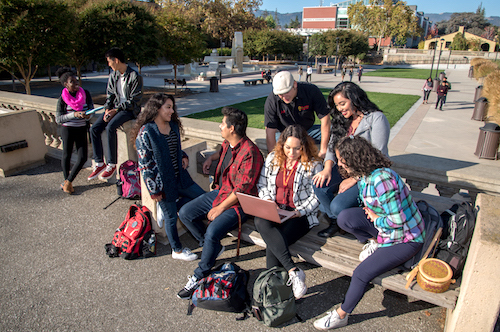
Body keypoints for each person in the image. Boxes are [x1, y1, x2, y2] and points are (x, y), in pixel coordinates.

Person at [313, 136, 424, 330]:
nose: (339, 163)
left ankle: (342, 315)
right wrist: (373, 215)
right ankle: (375, 241)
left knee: (361, 273)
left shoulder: (383, 180)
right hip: (386, 229)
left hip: (406, 238)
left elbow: (398, 222)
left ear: (355, 159)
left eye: (342, 160)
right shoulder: (365, 175)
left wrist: (376, 219)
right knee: (344, 218)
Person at [176, 107, 264, 299]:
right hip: (221, 193)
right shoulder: (229, 142)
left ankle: (200, 274)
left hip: (240, 203)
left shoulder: (251, 153)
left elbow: (242, 190)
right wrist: (211, 157)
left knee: (213, 231)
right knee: (185, 213)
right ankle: (211, 247)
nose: (220, 126)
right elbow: (223, 149)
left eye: (223, 123)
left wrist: (220, 208)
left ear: (232, 128)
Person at [133, 93, 205, 261]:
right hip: (163, 184)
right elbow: (145, 164)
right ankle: (177, 250)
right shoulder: (146, 132)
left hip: (181, 177)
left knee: (202, 199)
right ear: (157, 109)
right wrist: (154, 191)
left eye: (172, 107)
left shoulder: (172, 126)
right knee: (171, 217)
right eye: (168, 107)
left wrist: (183, 155)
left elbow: (174, 149)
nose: (172, 111)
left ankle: (171, 207)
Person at [313, 82, 390, 238]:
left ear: (354, 99)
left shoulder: (376, 118)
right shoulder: (342, 120)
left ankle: (355, 220)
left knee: (337, 206)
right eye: (337, 105)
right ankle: (336, 222)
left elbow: (378, 156)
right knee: (319, 185)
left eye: (343, 103)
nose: (340, 109)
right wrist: (327, 168)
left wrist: (354, 179)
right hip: (344, 169)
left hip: (368, 174)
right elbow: (331, 148)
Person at [255, 124, 323, 300]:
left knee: (274, 243)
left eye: (297, 149)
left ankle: (272, 291)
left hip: (300, 215)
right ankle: (293, 271)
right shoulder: (272, 158)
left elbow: (317, 198)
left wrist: (299, 212)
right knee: (260, 221)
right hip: (276, 209)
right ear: (281, 145)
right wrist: (268, 200)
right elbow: (262, 185)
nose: (291, 153)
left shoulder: (314, 165)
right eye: (287, 148)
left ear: (304, 146)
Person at [88, 47, 143, 181]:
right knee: (94, 129)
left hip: (129, 110)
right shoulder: (113, 76)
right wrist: (107, 109)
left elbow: (134, 101)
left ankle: (112, 164)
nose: (109, 64)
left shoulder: (135, 76)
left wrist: (116, 110)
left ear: (116, 60)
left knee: (110, 127)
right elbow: (110, 96)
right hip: (115, 109)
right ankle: (99, 163)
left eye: (109, 61)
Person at [264, 71, 331, 158]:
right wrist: (273, 157)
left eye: (286, 92)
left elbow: (325, 118)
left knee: (335, 132)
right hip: (285, 135)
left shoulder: (311, 91)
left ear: (295, 84)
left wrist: (323, 150)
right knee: (278, 140)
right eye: (280, 94)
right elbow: (270, 130)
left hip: (308, 131)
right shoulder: (272, 100)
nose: (284, 96)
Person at [55, 68, 93, 194]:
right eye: (72, 82)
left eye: (77, 80)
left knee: (82, 157)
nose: (77, 83)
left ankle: (68, 182)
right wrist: (74, 115)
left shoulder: (85, 94)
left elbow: (91, 110)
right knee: (67, 155)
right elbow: (58, 119)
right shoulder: (62, 98)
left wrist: (88, 116)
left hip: (82, 129)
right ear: (66, 84)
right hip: (67, 129)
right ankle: (67, 181)